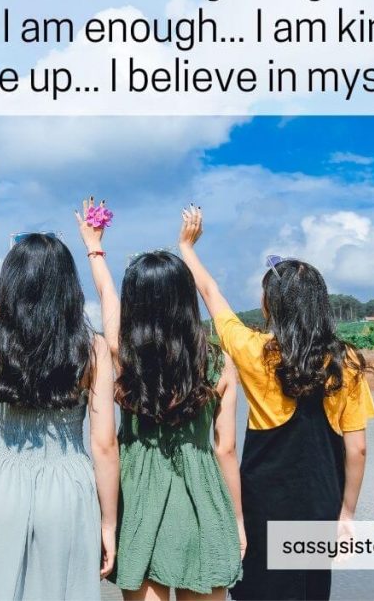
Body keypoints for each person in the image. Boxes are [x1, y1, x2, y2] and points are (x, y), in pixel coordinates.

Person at [178, 206, 374, 601]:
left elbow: (212, 294)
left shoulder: (254, 351)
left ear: (272, 306)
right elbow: (357, 448)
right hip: (321, 499)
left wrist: (187, 247)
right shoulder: (346, 362)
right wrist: (347, 514)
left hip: (263, 501)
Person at [74, 197, 244, 601]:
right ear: (186, 300)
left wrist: (94, 247)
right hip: (203, 497)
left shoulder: (122, 353)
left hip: (138, 499)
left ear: (136, 304)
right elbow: (226, 450)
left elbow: (106, 293)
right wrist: (236, 519)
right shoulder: (218, 364)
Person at [0, 158, 120, 600]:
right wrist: (109, 523)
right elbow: (104, 445)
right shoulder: (91, 349)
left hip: (5, 478)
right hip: (69, 483)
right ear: (67, 287)